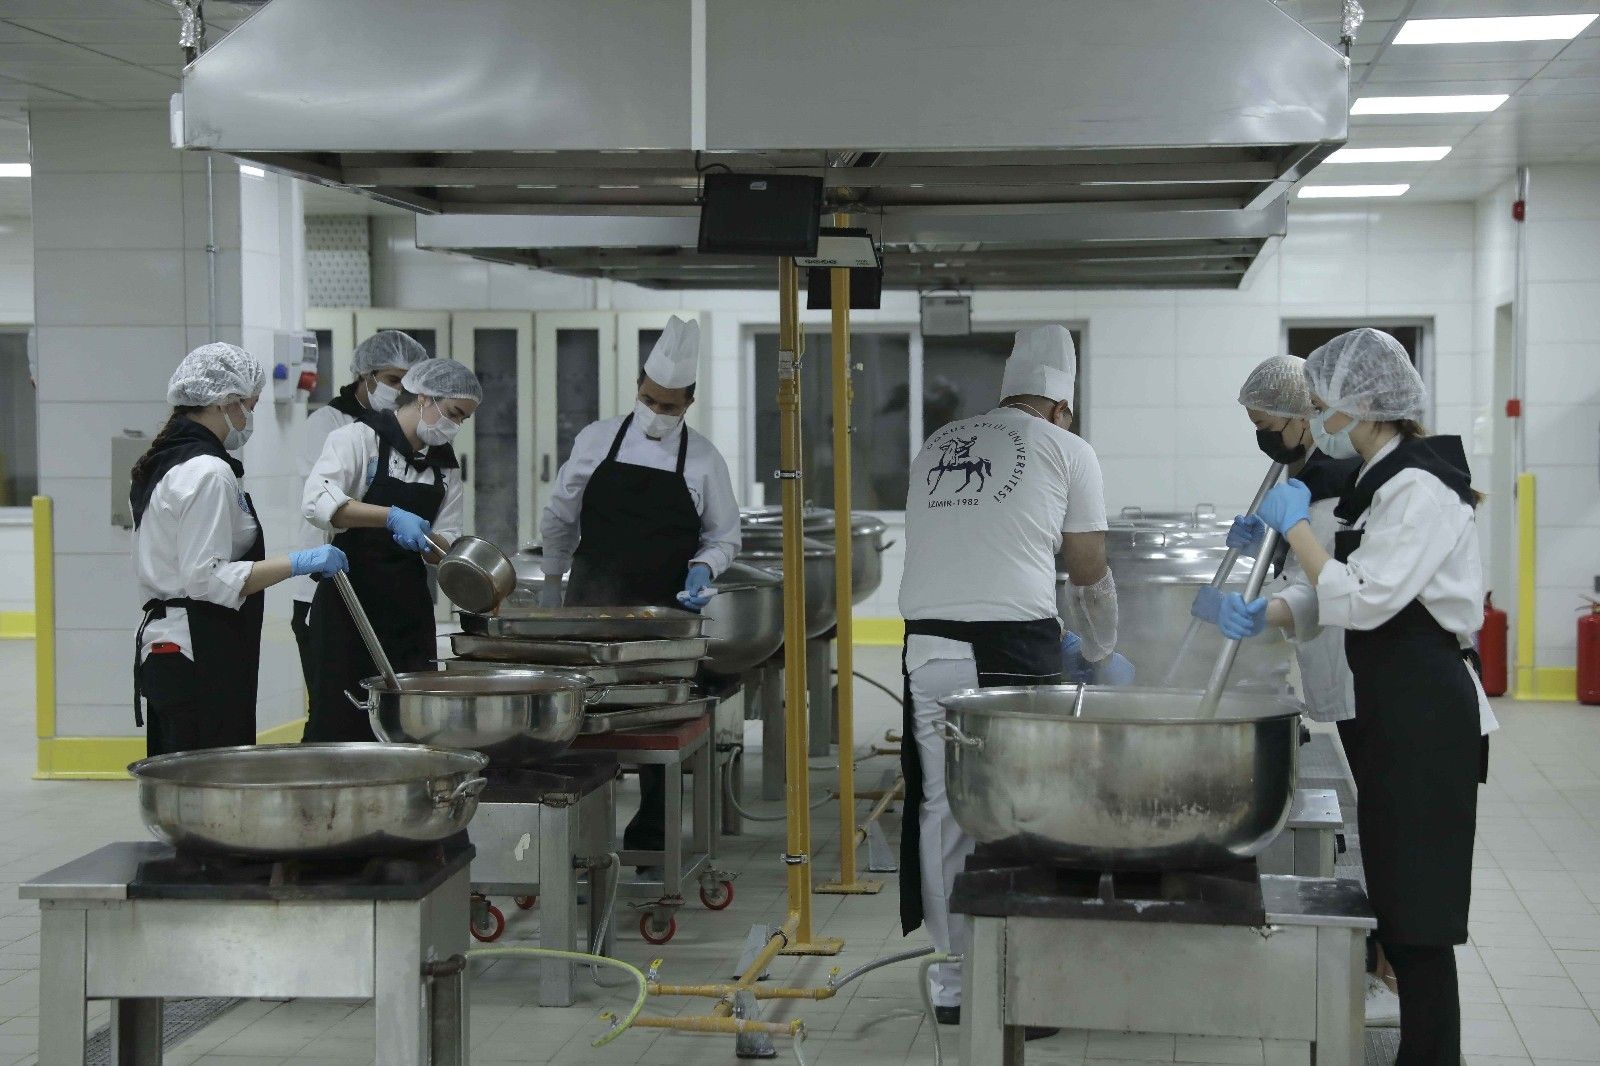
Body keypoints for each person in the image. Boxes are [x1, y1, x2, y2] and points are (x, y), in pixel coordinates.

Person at [1221, 328, 1496, 1066]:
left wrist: (1296, 531)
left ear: (1362, 403)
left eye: (1322, 403)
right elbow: (1338, 593)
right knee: (1401, 897)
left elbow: (1367, 598)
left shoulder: (1418, 487)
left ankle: (1431, 1055)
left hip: (1426, 705)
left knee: (1420, 911)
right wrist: (1269, 611)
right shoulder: (1382, 480)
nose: (1317, 418)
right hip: (1393, 695)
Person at [898, 324, 1118, 1032]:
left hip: (928, 646)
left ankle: (955, 980)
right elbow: (1086, 566)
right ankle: (1024, 984)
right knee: (1027, 808)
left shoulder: (939, 442)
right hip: (1014, 647)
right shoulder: (1067, 448)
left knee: (944, 810)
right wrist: (1102, 638)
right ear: (1061, 405)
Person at [1202, 355, 1397, 1024]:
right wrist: (1269, 541)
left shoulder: (1339, 482)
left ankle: (1389, 972)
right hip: (1348, 666)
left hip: (1368, 672)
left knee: (1384, 829)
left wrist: (1266, 606)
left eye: (1265, 423)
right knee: (1379, 821)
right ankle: (1384, 964)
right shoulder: (1307, 473)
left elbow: (1330, 584)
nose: (1260, 436)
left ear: (1303, 415)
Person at [538, 315, 739, 866]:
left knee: (657, 723)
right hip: (592, 608)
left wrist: (703, 569)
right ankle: (578, 843)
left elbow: (724, 537)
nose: (656, 412)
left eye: (669, 406)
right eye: (649, 400)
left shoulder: (704, 459)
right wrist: (552, 583)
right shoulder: (596, 439)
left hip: (664, 616)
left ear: (688, 403)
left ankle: (653, 842)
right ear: (637, 389)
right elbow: (559, 516)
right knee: (582, 724)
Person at [132, 343, 349, 757]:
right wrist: (297, 563)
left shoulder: (170, 462)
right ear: (225, 401)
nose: (250, 418)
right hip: (198, 650)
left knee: (182, 778)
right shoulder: (208, 473)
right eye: (250, 405)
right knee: (208, 777)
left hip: (170, 649)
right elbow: (206, 579)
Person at [301, 358, 480, 742]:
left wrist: (434, 545)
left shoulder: (445, 466)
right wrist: (390, 517)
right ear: (424, 397)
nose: (455, 426)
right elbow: (319, 504)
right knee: (339, 718)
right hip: (349, 603)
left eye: (463, 419)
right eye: (452, 413)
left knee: (411, 722)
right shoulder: (358, 440)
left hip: (407, 608)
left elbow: (446, 537)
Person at [290, 330, 429, 696]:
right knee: (333, 703)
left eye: (408, 384)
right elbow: (324, 502)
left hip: (384, 589)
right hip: (325, 583)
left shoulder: (410, 435)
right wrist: (391, 516)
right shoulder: (330, 425)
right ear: (366, 375)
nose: (400, 391)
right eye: (392, 380)